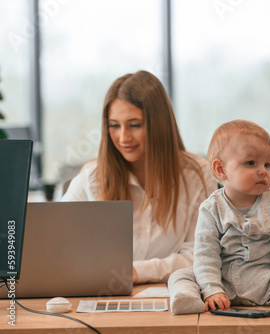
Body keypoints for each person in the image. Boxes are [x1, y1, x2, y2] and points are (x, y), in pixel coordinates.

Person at [63, 70, 217, 284]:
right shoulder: (92, 177)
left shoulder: (197, 175)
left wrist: (136, 272)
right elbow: (58, 248)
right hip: (103, 295)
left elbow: (200, 256)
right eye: (114, 126)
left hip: (173, 295)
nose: (123, 137)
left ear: (159, 125)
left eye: (135, 125)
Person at [167, 120, 270, 315]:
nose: (263, 170)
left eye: (267, 164)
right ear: (221, 170)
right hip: (224, 283)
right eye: (250, 163)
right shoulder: (211, 209)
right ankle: (188, 298)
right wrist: (212, 289)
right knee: (180, 275)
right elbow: (206, 254)